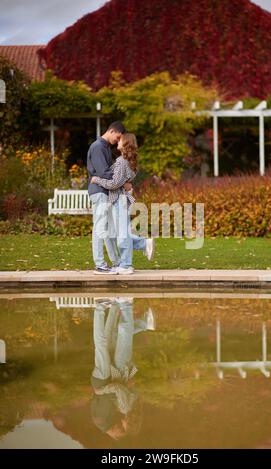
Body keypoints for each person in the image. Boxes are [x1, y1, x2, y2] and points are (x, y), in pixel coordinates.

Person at [90, 298, 154, 440]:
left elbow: (117, 391)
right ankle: (121, 305)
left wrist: (104, 390)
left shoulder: (110, 418)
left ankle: (113, 307)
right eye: (122, 428)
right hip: (113, 375)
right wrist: (103, 390)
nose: (119, 426)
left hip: (113, 376)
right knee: (116, 337)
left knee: (110, 339)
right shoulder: (120, 412)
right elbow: (116, 391)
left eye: (120, 431)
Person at [91, 133, 154, 274]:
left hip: (119, 200)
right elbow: (120, 182)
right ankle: (143, 244)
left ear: (125, 144)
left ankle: (126, 265)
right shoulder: (127, 162)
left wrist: (97, 180)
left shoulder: (121, 162)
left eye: (120, 140)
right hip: (120, 200)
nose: (117, 142)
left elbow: (114, 183)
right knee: (120, 234)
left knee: (121, 236)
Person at [87, 121, 130, 274]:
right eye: (117, 137)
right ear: (111, 131)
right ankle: (99, 264)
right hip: (99, 191)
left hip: (105, 192)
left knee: (109, 230)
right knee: (100, 228)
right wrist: (123, 181)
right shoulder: (98, 147)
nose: (118, 141)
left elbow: (110, 173)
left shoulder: (105, 147)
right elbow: (104, 173)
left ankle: (116, 262)